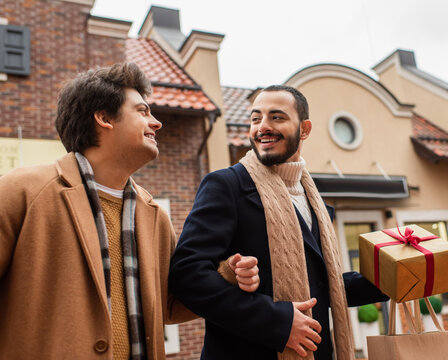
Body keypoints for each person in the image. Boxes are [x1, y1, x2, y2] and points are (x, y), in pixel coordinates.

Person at [0, 62, 259, 359]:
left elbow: (170, 304)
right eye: (142, 111)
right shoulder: (22, 192)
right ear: (103, 117)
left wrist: (226, 274)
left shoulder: (154, 216)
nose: (156, 122)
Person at [169, 85, 389, 360]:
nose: (263, 127)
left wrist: (391, 280)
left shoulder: (314, 199)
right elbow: (187, 276)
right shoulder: (226, 185)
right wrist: (279, 323)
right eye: (256, 118)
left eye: (277, 117)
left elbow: (321, 285)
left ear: (304, 129)